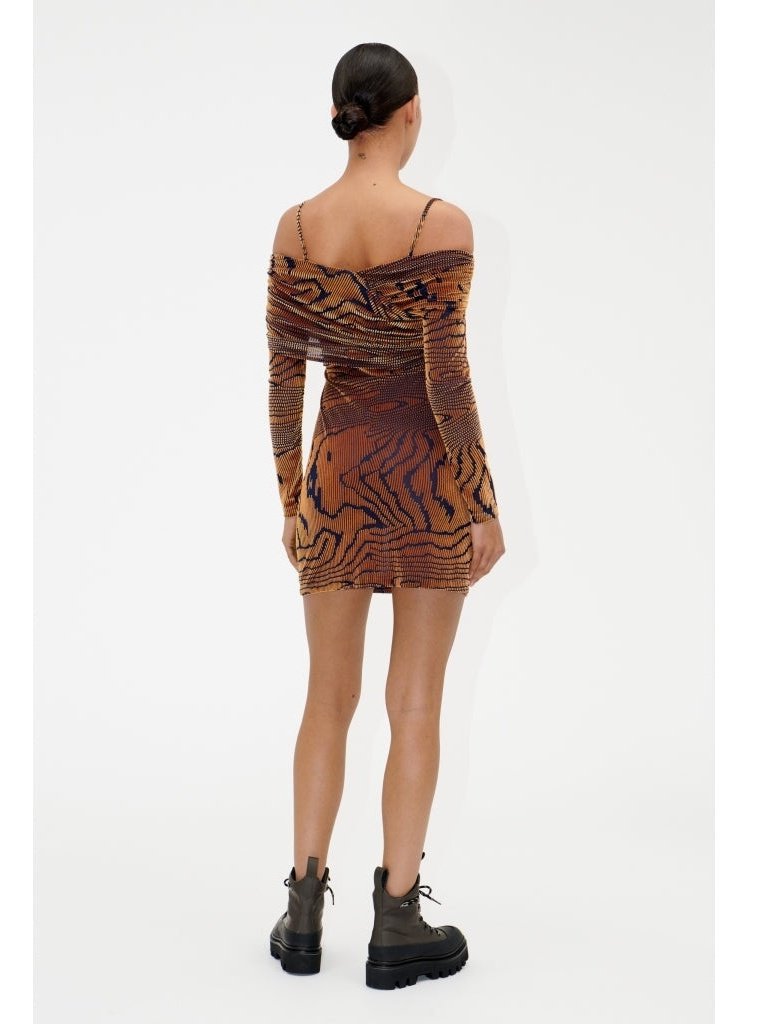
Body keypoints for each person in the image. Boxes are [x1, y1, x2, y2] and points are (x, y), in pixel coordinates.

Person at [265, 42, 505, 989]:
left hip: (334, 478)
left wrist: (294, 500)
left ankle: (300, 915)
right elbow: (447, 381)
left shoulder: (296, 226)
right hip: (427, 483)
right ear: (409, 113)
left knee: (326, 697)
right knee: (414, 703)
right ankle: (396, 922)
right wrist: (479, 502)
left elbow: (284, 382)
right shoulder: (440, 223)